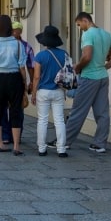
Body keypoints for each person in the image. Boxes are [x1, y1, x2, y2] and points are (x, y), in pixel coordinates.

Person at [58, 11, 111, 154]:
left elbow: (87, 56)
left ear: (85, 20)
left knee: (78, 111)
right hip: (102, 77)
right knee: (102, 112)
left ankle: (65, 141)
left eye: (79, 24)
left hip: (89, 77)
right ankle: (100, 143)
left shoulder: (87, 34)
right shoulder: (106, 35)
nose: (79, 27)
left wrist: (78, 68)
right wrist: (106, 66)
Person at [0, 14, 28, 156]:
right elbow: (22, 66)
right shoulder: (17, 44)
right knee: (16, 110)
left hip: (0, 78)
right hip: (15, 77)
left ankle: (0, 143)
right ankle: (16, 145)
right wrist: (24, 82)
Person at [30, 25, 69, 157]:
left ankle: (42, 148)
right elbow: (67, 73)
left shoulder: (40, 56)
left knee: (42, 120)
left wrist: (33, 93)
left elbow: (36, 77)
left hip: (43, 91)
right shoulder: (64, 54)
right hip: (58, 90)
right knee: (59, 120)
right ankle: (61, 149)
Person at [0, 20, 34, 143]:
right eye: (13, 31)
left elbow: (30, 65)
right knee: (3, 108)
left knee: (17, 109)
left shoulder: (26, 46)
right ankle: (6, 135)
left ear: (20, 32)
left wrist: (31, 82)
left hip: (18, 80)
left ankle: (16, 135)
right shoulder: (3, 43)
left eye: (17, 31)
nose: (14, 33)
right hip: (6, 78)